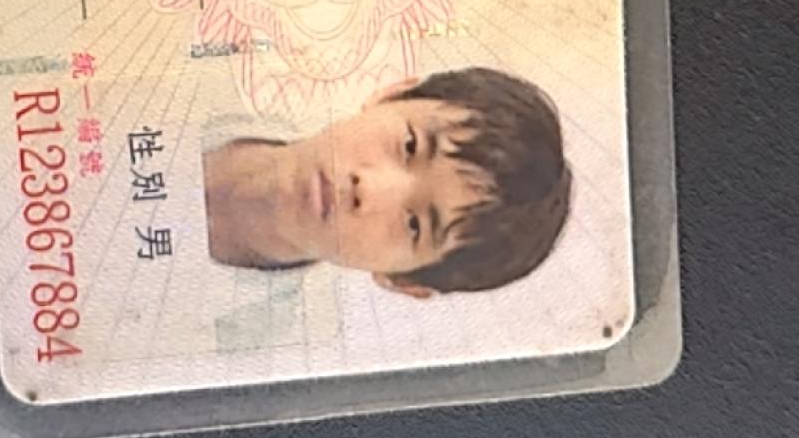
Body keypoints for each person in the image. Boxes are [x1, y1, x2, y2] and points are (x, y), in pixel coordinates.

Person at [201, 67, 571, 297]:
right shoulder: (196, 85)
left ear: (403, 282)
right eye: (410, 145)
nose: (369, 187)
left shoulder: (256, 352)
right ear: (391, 94)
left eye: (415, 225)